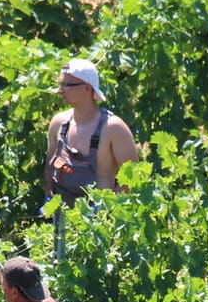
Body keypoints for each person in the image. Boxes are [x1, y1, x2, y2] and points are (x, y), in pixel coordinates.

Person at [44, 58, 139, 204]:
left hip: (97, 221)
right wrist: (48, 199)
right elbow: (49, 169)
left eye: (67, 85)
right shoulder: (59, 124)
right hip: (61, 216)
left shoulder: (113, 128)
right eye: (60, 84)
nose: (60, 90)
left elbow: (133, 179)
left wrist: (108, 210)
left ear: (87, 88)